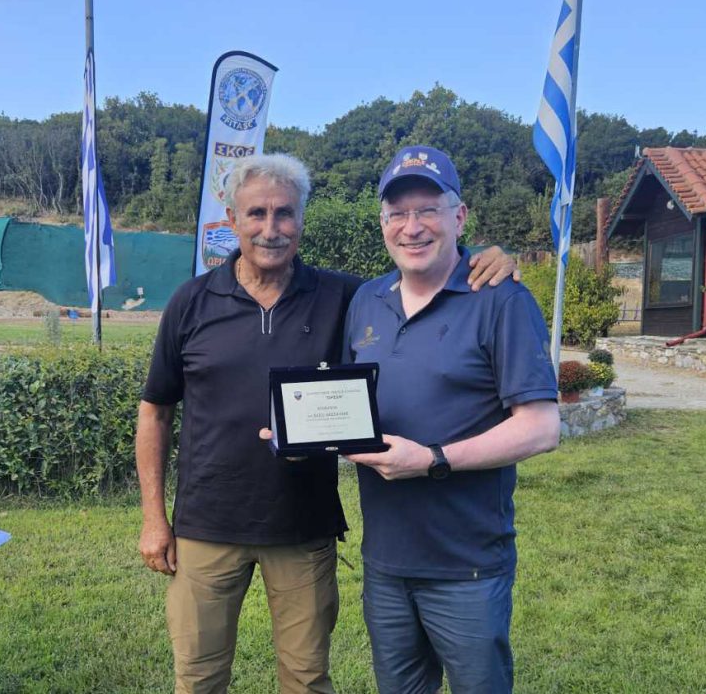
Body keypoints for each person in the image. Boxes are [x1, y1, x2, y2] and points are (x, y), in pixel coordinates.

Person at [136, 152, 518, 694]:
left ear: (302, 219)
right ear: (232, 219)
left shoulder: (346, 297)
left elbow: (421, 272)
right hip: (205, 527)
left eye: (285, 213)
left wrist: (485, 259)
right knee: (197, 679)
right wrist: (154, 518)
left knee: (307, 679)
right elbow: (155, 410)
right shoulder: (191, 302)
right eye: (257, 213)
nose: (271, 228)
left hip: (303, 527)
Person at [343, 146, 560, 694]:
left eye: (427, 210)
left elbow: (541, 427)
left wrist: (432, 460)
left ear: (459, 217)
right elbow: (346, 405)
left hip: (467, 566)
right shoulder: (367, 299)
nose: (412, 226)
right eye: (397, 213)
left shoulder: (501, 299)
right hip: (386, 562)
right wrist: (301, 435)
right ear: (383, 224)